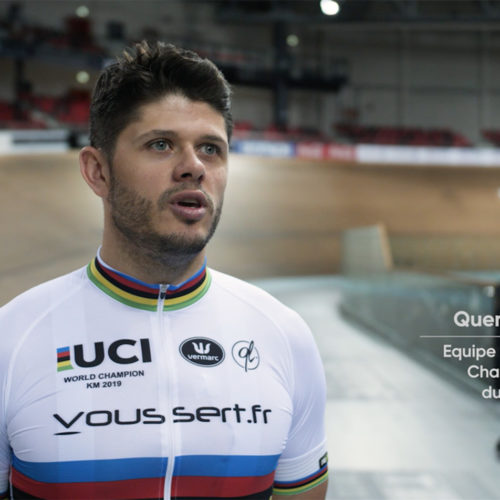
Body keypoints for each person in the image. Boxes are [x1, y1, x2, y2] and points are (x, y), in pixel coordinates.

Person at [0, 41, 328, 500]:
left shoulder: (285, 336)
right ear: (98, 172)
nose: (193, 167)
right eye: (161, 144)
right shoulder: (12, 339)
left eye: (210, 149)